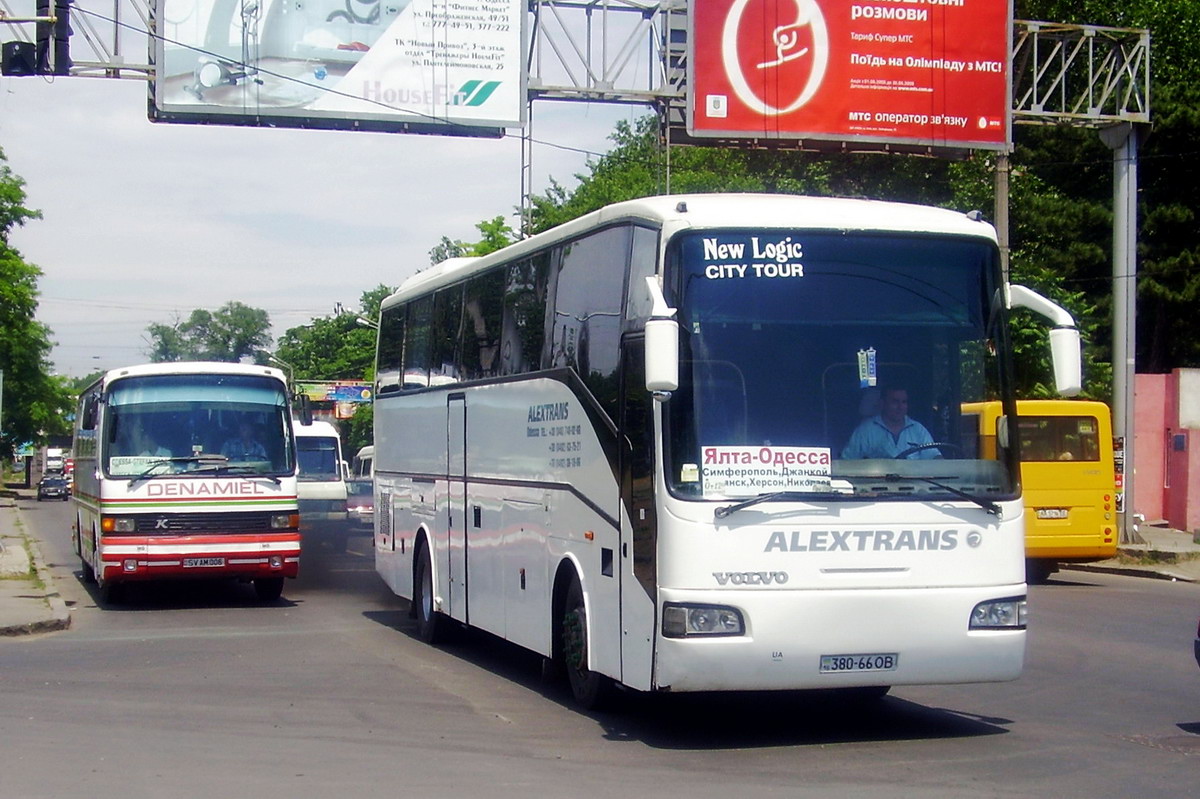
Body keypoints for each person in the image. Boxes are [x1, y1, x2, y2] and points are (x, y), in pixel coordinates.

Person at [841, 385, 939, 459]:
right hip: (875, 485)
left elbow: (935, 458)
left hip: (918, 485)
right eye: (895, 402)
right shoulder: (865, 430)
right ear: (882, 403)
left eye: (904, 402)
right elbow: (846, 461)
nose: (900, 407)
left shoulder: (918, 430)